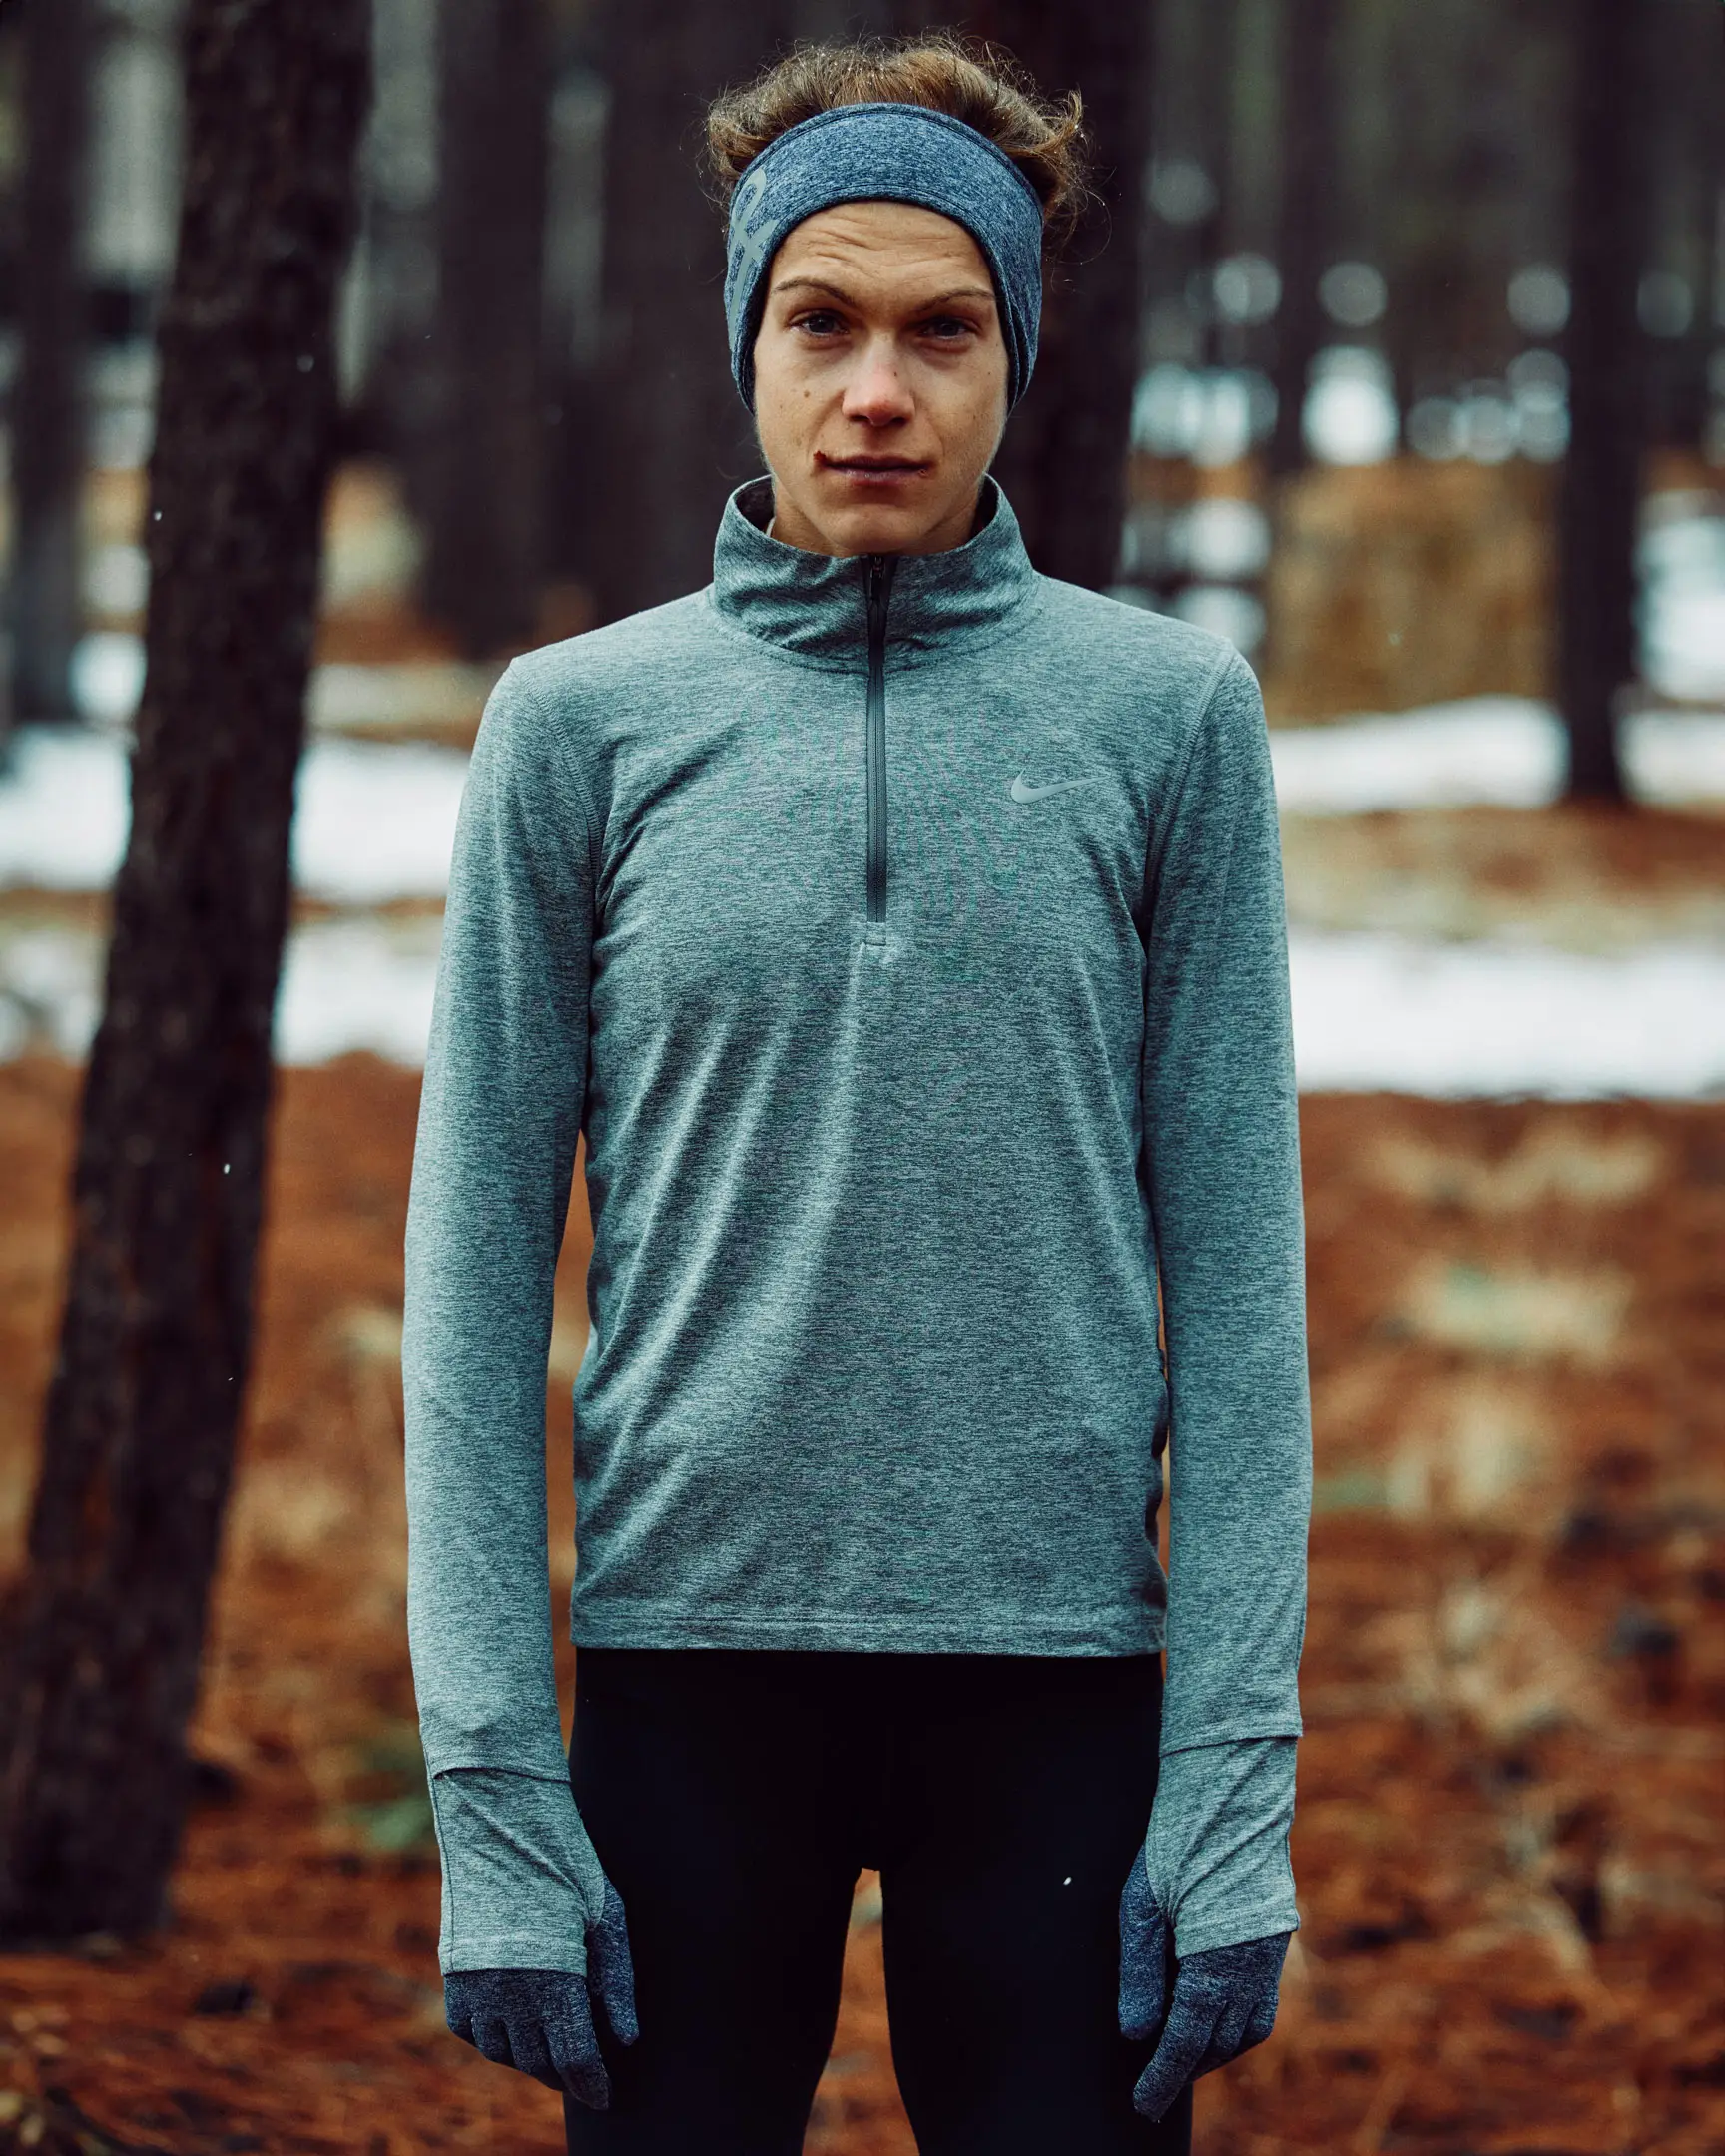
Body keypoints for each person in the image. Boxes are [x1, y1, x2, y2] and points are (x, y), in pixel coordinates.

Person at [402, 32, 1312, 2156]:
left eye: (940, 329)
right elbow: (465, 1301)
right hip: (681, 1684)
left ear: (1016, 357)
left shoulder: (1169, 723)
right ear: (748, 343)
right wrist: (495, 1801)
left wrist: (1234, 1784)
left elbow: (1245, 1296)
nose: (876, 391)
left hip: (1064, 1692)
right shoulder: (578, 730)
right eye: (821, 322)